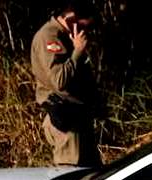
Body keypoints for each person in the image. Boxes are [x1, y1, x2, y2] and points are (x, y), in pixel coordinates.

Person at [31, 3, 100, 167]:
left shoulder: (65, 36)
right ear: (72, 17)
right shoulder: (49, 37)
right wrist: (77, 52)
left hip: (78, 120)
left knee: (93, 176)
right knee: (72, 179)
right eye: (85, 27)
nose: (87, 32)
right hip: (67, 124)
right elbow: (59, 81)